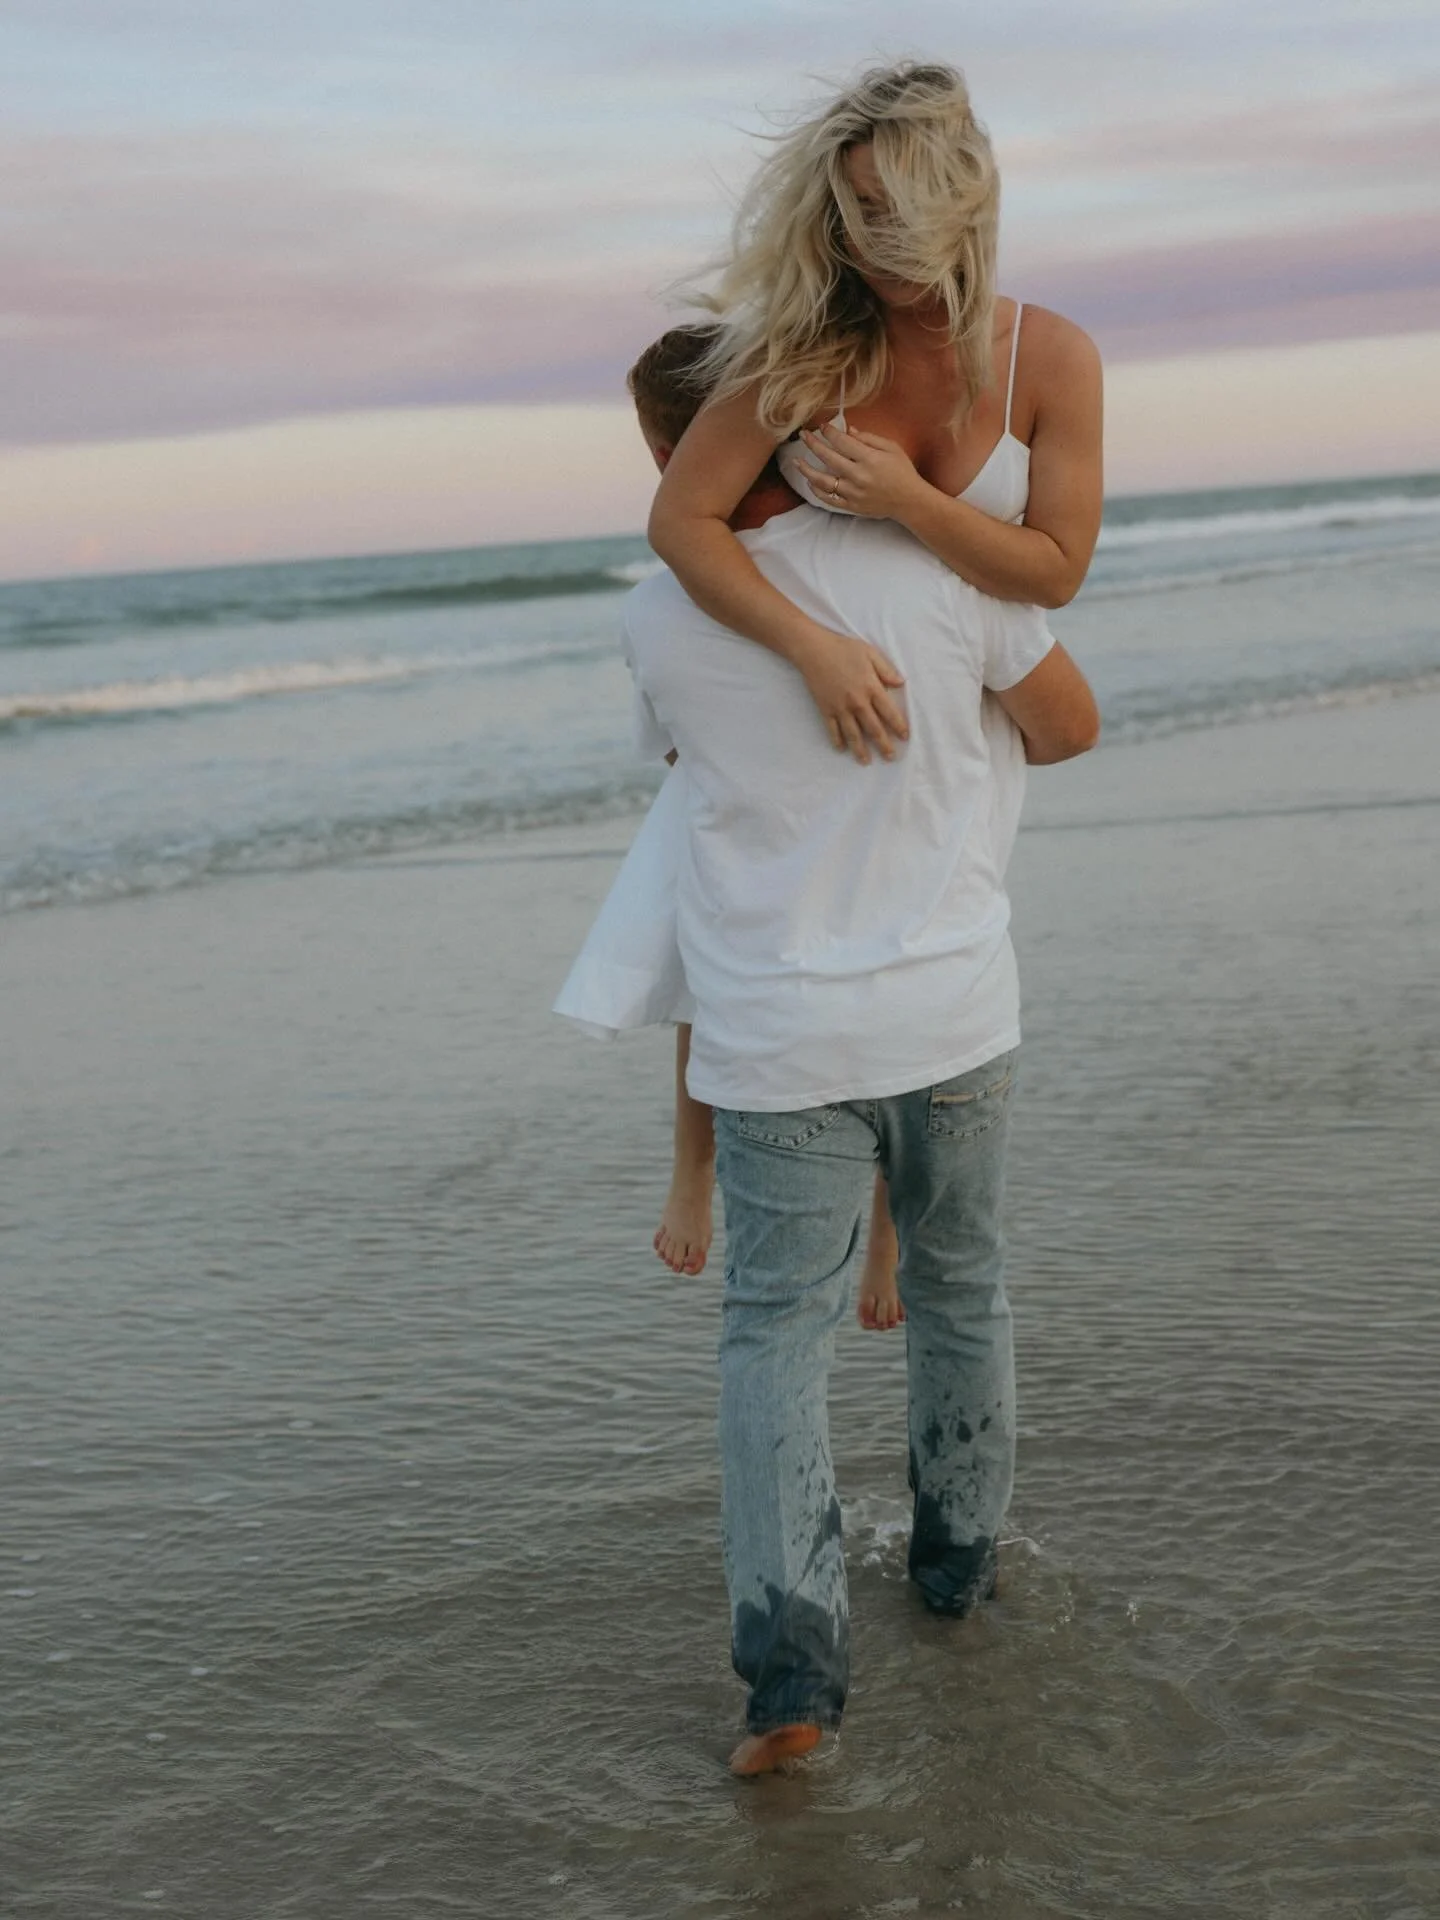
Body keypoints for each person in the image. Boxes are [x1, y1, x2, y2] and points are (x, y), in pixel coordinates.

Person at [605, 327, 1099, 1775]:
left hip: (775, 1038)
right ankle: (957, 1574)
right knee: (960, 1291)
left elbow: (694, 786)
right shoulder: (935, 565)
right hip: (951, 1009)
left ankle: (792, 1685)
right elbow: (1068, 728)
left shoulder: (656, 619)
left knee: (774, 1340)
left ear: (676, 455)